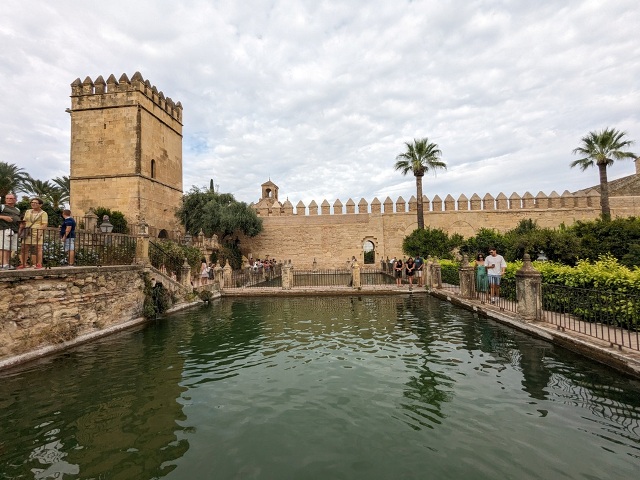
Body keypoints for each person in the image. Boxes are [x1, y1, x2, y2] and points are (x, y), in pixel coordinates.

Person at [18, 198, 48, 269]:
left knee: (38, 248)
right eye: (32, 202)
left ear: (40, 205)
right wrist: (21, 228)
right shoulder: (28, 211)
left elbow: (44, 224)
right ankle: (23, 264)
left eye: (35, 203)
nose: (33, 204)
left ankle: (39, 264)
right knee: (24, 248)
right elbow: (24, 221)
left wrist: (39, 233)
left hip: (37, 231)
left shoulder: (43, 213)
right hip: (27, 231)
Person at [0, 193, 21, 270]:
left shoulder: (17, 209)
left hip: (14, 230)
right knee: (4, 247)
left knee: (10, 248)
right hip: (4, 229)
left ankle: (7, 264)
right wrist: (4, 217)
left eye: (11, 198)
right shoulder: (2, 207)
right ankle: (4, 264)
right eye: (7, 198)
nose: (9, 200)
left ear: (15, 200)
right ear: (5, 199)